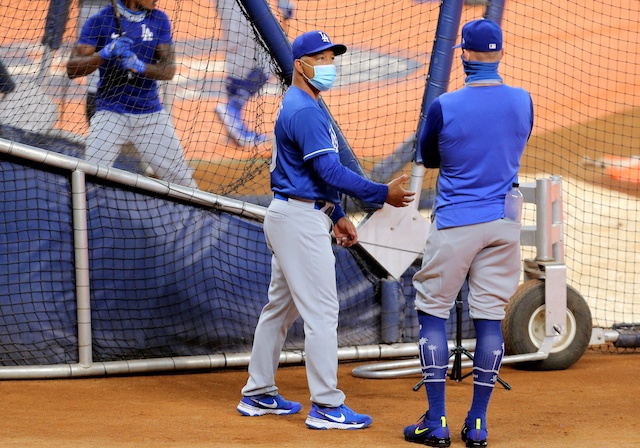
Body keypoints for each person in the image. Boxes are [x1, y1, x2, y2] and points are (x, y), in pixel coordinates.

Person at [237, 30, 415, 430]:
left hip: (297, 214)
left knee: (279, 310)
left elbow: (311, 176)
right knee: (321, 312)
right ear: (300, 64)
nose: (329, 66)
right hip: (297, 221)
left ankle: (258, 392)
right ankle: (326, 406)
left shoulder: (308, 104)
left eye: (332, 58)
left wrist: (335, 214)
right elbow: (329, 171)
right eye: (320, 58)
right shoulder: (304, 110)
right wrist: (380, 193)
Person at [403, 19, 534, 447]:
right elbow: (516, 142)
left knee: (433, 311)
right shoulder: (522, 100)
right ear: (500, 53)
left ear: (463, 55)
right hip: (503, 222)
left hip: (457, 221)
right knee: (489, 319)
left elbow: (428, 156)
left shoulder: (445, 105)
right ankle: (477, 424)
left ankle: (436, 421)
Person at [66, 0, 197, 188]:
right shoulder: (100, 20)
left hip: (150, 115)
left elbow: (169, 70)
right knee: (90, 180)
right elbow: (72, 69)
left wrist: (141, 66)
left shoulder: (159, 19)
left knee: (185, 185)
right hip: (110, 114)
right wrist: (104, 54)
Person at [213, 0, 294, 147]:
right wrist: (285, 5)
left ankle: (234, 122)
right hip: (249, 7)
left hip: (228, 5)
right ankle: (232, 109)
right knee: (269, 60)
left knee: (238, 62)